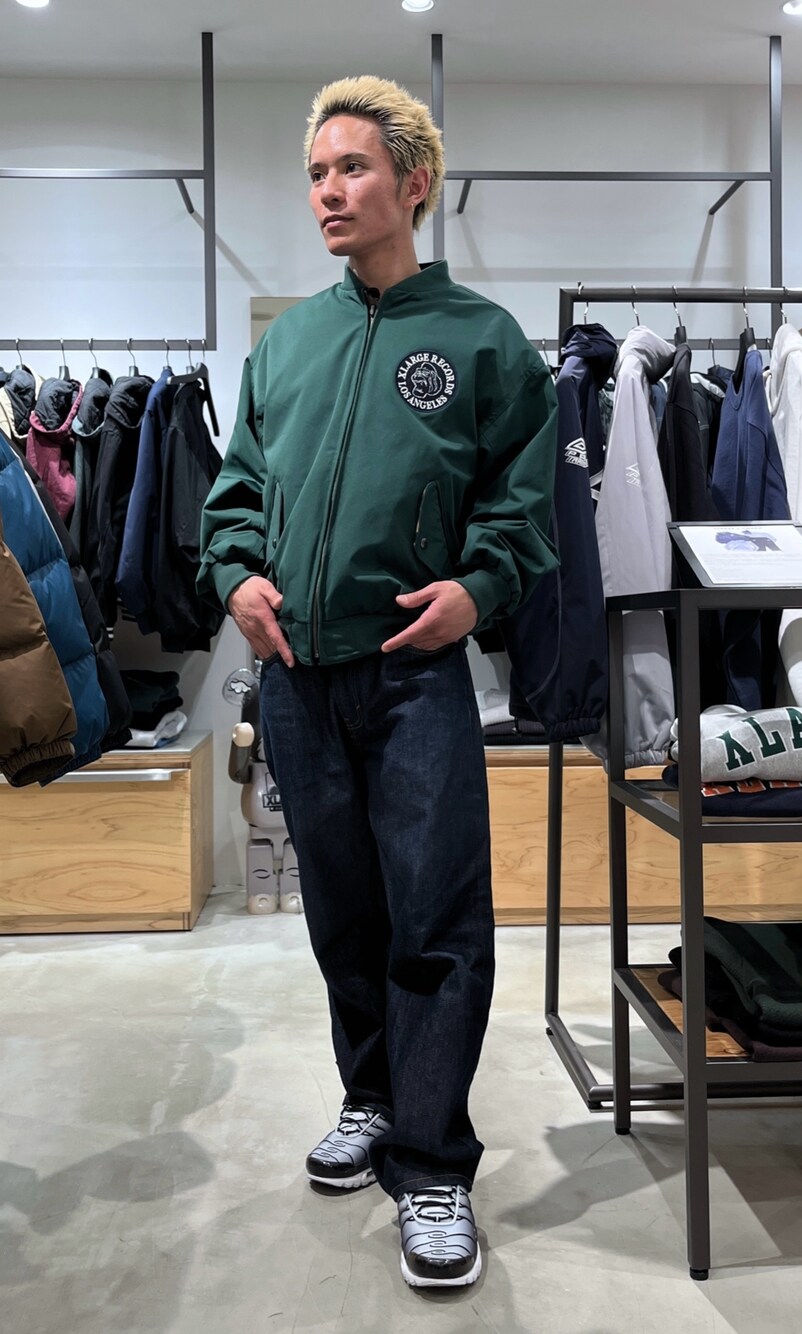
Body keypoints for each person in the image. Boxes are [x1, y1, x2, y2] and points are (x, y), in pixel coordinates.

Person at [198, 75, 557, 1290]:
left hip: (414, 678)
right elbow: (237, 493)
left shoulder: (483, 342)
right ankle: (372, 1094)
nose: (328, 193)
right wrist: (236, 575)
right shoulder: (288, 343)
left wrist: (479, 588)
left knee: (437, 919)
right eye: (315, 173)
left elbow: (523, 503)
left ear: (414, 182)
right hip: (301, 680)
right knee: (342, 912)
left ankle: (435, 1161)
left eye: (350, 168)